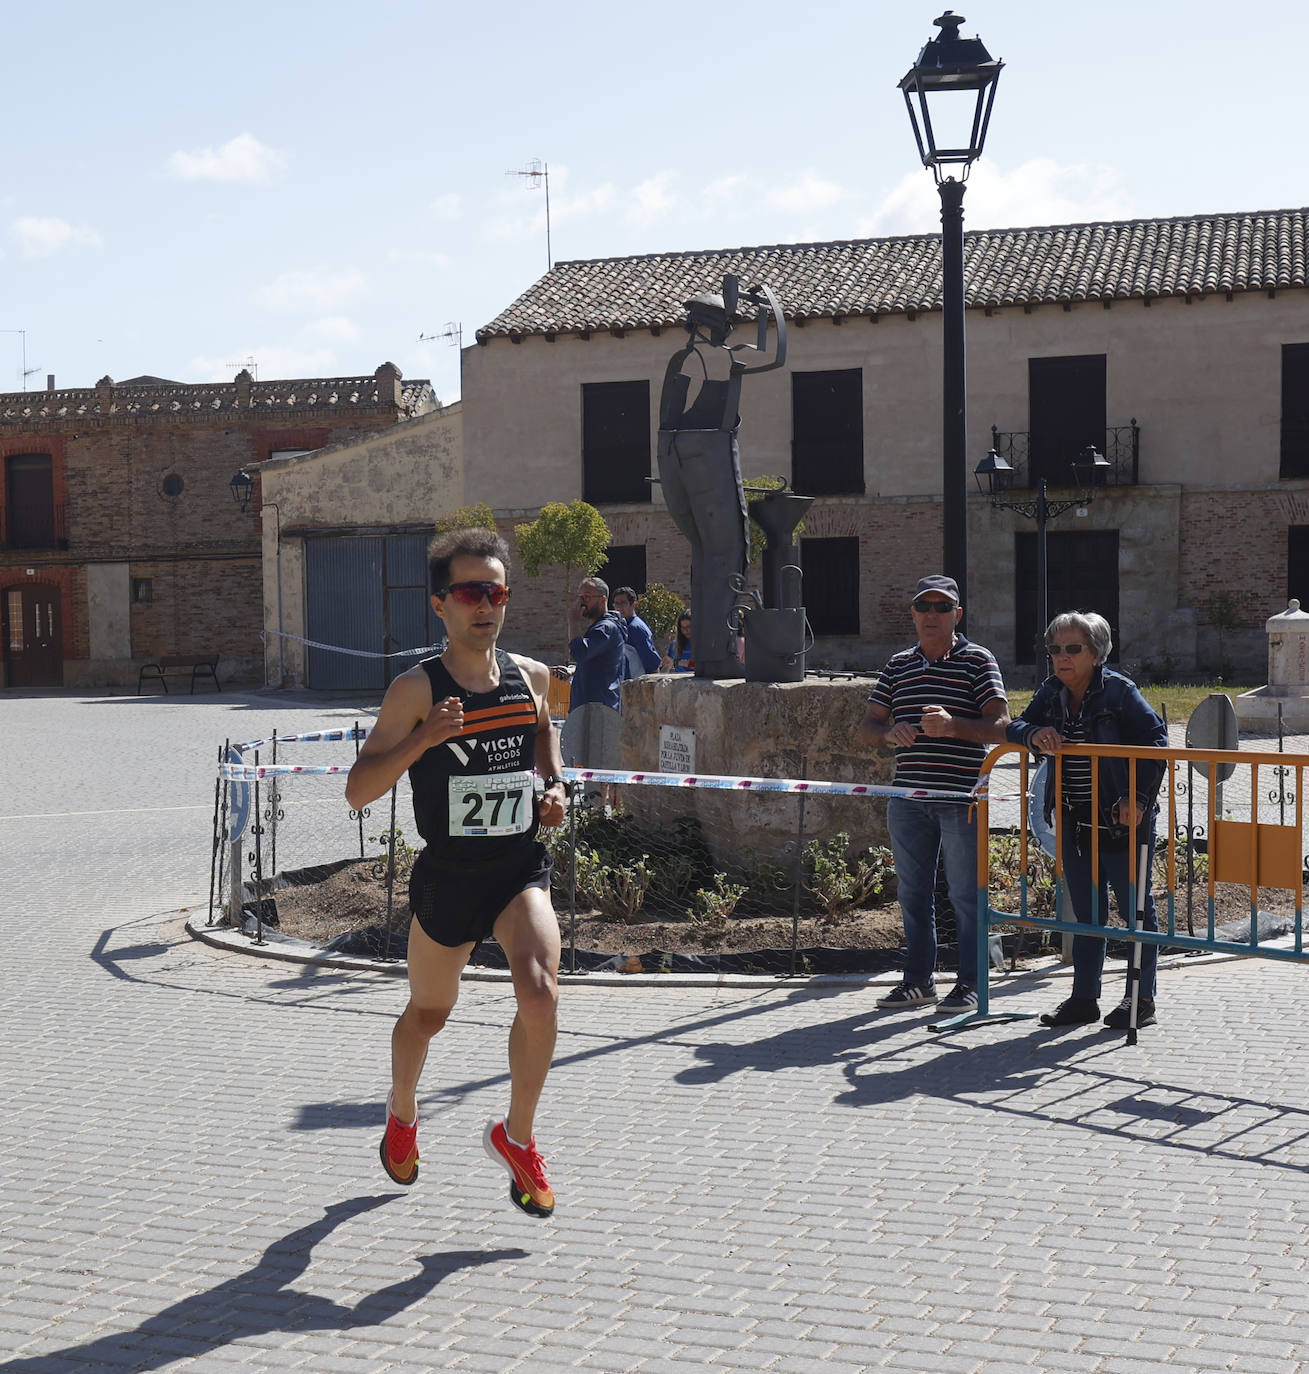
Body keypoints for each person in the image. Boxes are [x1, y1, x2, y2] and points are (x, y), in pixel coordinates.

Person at [344, 527, 567, 1218]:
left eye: (496, 592)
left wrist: (554, 785)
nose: (486, 605)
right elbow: (357, 792)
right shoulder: (416, 688)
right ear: (439, 604)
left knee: (540, 996)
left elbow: (542, 730)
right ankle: (402, 1112)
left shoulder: (529, 676)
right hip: (449, 877)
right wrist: (423, 738)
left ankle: (516, 1135)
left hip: (517, 868)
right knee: (429, 1014)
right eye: (471, 592)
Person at [1006, 611, 1168, 1029]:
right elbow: (1017, 723)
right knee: (1087, 913)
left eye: (1072, 648)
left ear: (1096, 653)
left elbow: (1157, 743)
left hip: (1121, 822)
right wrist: (1032, 735)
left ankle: (1140, 999)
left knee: (1136, 913)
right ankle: (1084, 999)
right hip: (1077, 825)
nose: (1061, 657)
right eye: (1055, 649)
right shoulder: (1051, 691)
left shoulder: (1119, 692)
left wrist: (1136, 796)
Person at [857, 575, 1009, 1013]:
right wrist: (890, 734)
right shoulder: (898, 664)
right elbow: (867, 728)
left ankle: (972, 984)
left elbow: (1002, 726)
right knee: (912, 894)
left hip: (961, 796)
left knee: (965, 895)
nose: (931, 614)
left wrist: (954, 726)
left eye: (942, 607)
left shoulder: (978, 661)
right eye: (923, 605)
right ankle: (918, 983)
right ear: (913, 613)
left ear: (957, 615)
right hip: (908, 798)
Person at [565, 577, 625, 710]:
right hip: (590, 708)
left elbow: (579, 652)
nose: (581, 603)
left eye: (587, 597)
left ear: (603, 600)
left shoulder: (606, 629)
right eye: (580, 597)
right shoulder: (599, 628)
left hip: (599, 710)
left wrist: (573, 622)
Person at [611, 586, 662, 675]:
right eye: (616, 603)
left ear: (633, 604)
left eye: (623, 603)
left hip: (635, 685)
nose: (619, 607)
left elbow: (652, 664)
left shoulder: (634, 627)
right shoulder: (622, 626)